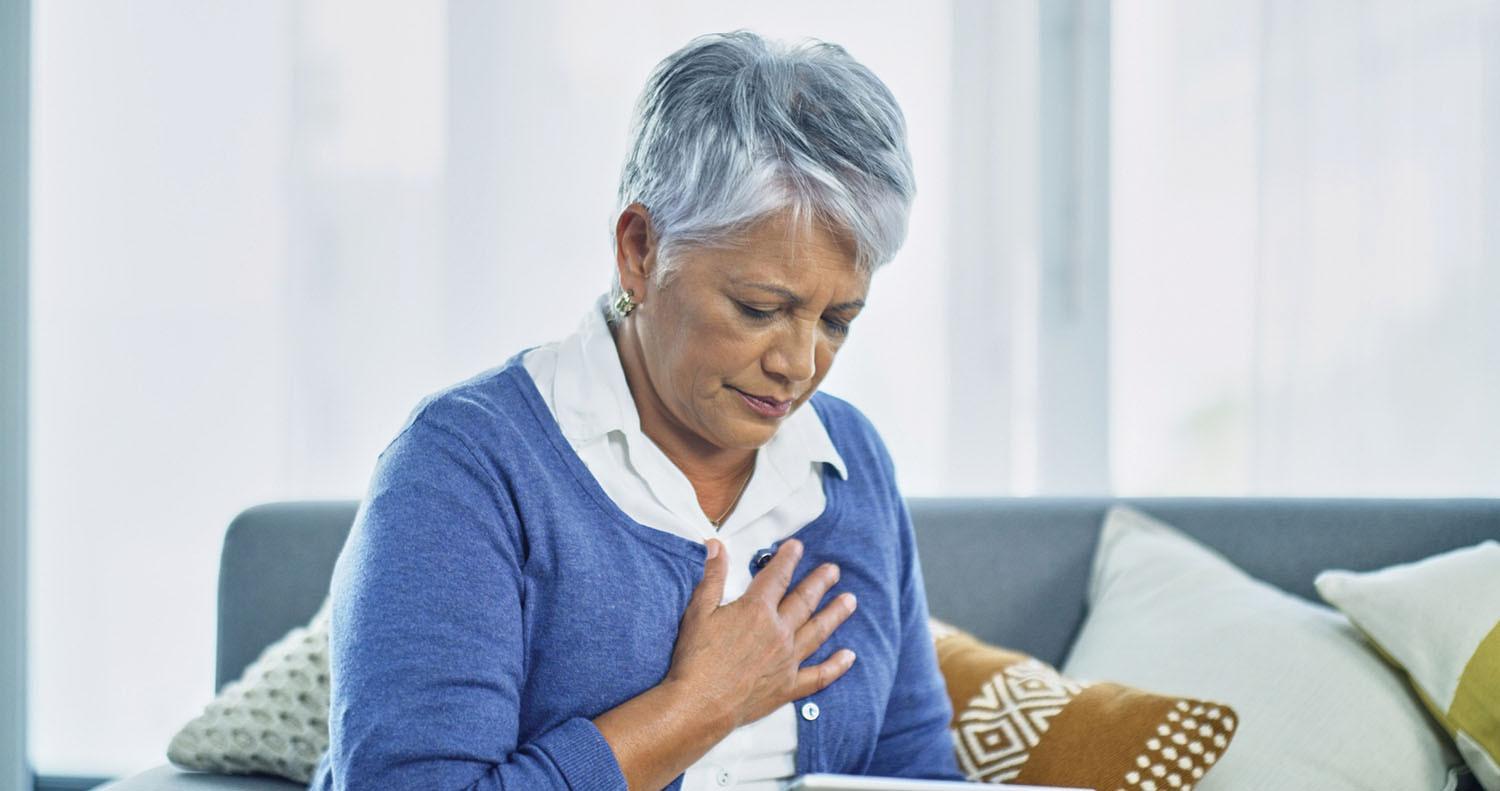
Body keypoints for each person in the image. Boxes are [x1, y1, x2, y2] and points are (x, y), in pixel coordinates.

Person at [310, 29, 963, 791]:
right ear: (641, 250)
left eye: (836, 320)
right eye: (760, 308)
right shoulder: (465, 468)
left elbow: (916, 768)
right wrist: (699, 706)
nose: (799, 363)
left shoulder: (851, 462)